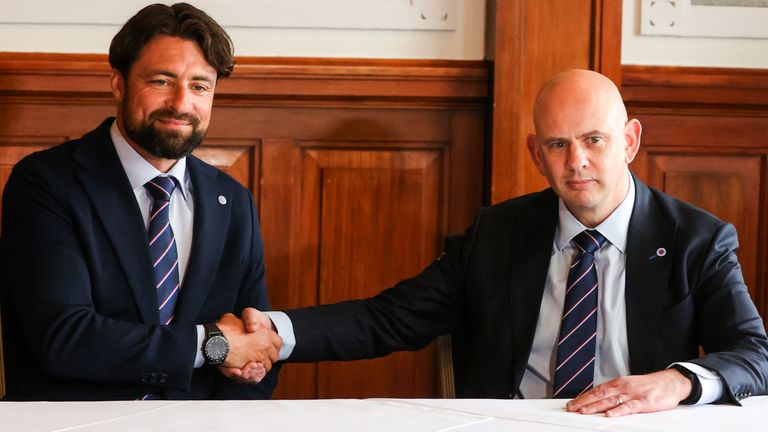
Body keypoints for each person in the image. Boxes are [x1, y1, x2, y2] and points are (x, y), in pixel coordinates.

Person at [240, 69, 768, 416]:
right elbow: (389, 318)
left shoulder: (696, 238)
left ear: (629, 141)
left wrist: (677, 382)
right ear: (537, 154)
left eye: (594, 140)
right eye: (558, 145)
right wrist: (274, 333)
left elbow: (754, 355)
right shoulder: (497, 234)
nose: (576, 161)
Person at [0, 3, 281, 400]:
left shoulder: (233, 201)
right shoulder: (46, 183)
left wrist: (254, 367)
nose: (182, 103)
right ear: (119, 83)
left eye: (200, 85)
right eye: (162, 81)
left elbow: (255, 341)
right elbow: (64, 339)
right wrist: (212, 345)